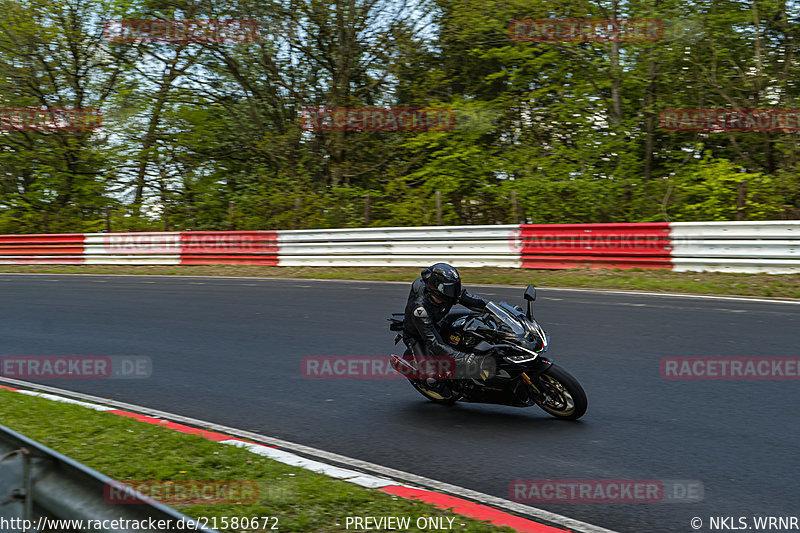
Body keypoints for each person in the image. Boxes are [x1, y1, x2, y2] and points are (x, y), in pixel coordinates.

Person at [402, 262, 494, 386]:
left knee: (476, 316)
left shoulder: (449, 292)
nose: (455, 292)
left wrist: (499, 309)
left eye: (456, 287)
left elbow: (474, 300)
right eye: (451, 289)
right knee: (431, 379)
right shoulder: (420, 309)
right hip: (419, 334)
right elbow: (434, 342)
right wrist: (464, 359)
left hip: (440, 320)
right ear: (435, 288)